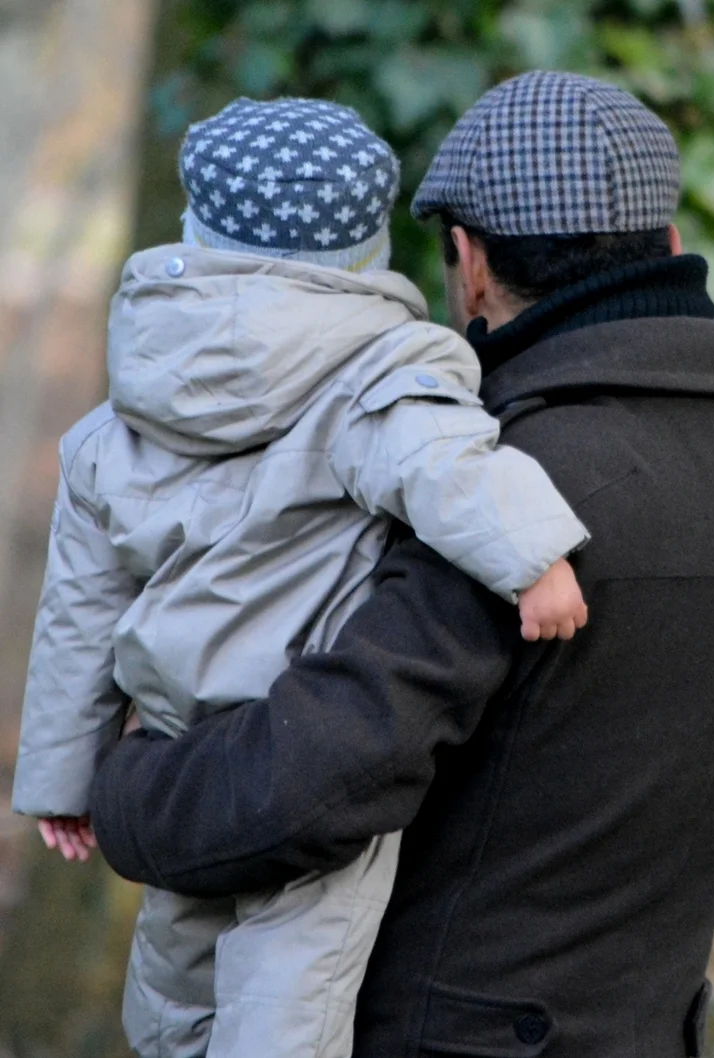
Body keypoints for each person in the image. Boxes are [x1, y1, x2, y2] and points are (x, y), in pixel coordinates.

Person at [89, 72, 714, 1057]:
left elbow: (308, 786)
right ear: (670, 244)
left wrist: (119, 776)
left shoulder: (509, 495)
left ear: (468, 260)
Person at [12, 95, 592, 1058]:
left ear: (197, 229)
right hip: (303, 747)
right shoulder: (374, 379)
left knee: (174, 968)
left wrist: (60, 777)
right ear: (365, 249)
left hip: (171, 750)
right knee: (292, 989)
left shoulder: (123, 416)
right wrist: (534, 557)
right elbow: (446, 464)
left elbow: (80, 607)